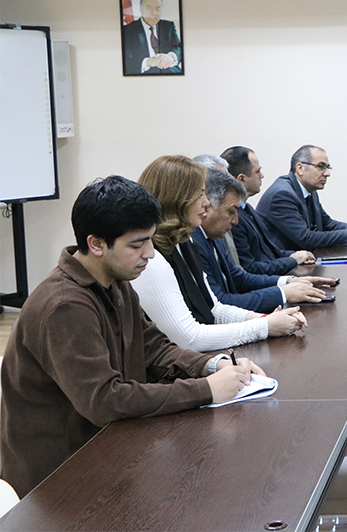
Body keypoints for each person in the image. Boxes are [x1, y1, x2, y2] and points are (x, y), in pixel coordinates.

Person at [0, 176, 264, 497]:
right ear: (96, 244)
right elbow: (106, 401)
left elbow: (155, 349)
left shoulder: (115, 281)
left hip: (108, 450)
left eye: (150, 241)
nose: (150, 254)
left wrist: (214, 365)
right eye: (137, 244)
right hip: (62, 479)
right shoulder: (64, 305)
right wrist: (206, 390)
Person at [131, 155, 308, 352]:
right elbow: (189, 339)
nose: (206, 203)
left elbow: (214, 310)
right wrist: (264, 327)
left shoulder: (185, 241)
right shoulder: (150, 258)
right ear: (177, 199)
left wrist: (267, 319)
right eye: (200, 195)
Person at [192, 168, 332, 312]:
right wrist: (283, 294)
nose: (236, 221)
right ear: (207, 206)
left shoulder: (213, 236)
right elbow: (220, 304)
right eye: (231, 211)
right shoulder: (193, 243)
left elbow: (239, 279)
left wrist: (289, 281)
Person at [221, 145, 316, 275]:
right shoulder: (234, 219)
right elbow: (250, 269)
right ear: (242, 179)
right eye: (257, 172)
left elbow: (270, 252)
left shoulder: (247, 208)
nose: (262, 176)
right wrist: (292, 260)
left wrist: (296, 255)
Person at [256, 146, 347, 250]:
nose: (327, 173)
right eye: (321, 167)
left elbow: (326, 223)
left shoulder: (309, 190)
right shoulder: (282, 195)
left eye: (328, 167)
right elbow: (306, 239)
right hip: (282, 266)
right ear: (300, 168)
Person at [121, 0, 182, 75]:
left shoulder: (168, 26)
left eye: (158, 8)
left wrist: (171, 56)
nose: (153, 13)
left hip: (171, 72)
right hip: (142, 74)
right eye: (149, 7)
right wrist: (148, 62)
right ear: (141, 8)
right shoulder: (128, 30)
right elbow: (126, 59)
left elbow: (178, 48)